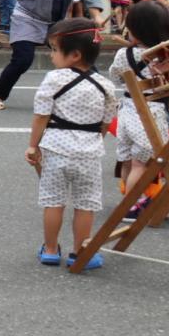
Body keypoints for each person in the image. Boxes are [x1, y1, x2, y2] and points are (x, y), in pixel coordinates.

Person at [25, 18, 117, 271]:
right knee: (86, 203)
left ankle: (51, 250)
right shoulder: (107, 86)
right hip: (89, 153)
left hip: (55, 149)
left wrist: (33, 146)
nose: (51, 55)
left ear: (74, 55)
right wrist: (91, 141)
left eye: (54, 49)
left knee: (53, 201)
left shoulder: (54, 79)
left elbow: (41, 115)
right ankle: (80, 252)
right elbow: (105, 124)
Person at [108, 1, 169, 222]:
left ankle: (128, 199)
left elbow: (116, 78)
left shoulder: (123, 54)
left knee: (128, 161)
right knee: (141, 164)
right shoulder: (165, 55)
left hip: (127, 111)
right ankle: (132, 205)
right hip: (150, 112)